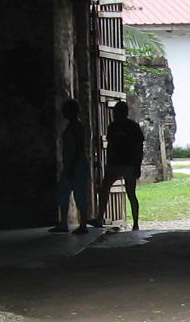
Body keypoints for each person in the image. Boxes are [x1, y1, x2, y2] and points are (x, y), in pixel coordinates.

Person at [96, 100, 146, 231]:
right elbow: (112, 146)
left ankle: (135, 222)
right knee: (111, 190)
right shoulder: (118, 127)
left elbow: (138, 148)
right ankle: (101, 217)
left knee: (128, 193)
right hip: (119, 163)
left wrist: (137, 165)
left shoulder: (127, 127)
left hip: (125, 164)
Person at [52, 99, 92, 234]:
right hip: (71, 163)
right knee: (63, 193)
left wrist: (72, 165)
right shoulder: (72, 126)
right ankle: (63, 223)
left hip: (76, 164)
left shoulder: (77, 127)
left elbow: (79, 148)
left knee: (79, 194)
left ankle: (83, 225)